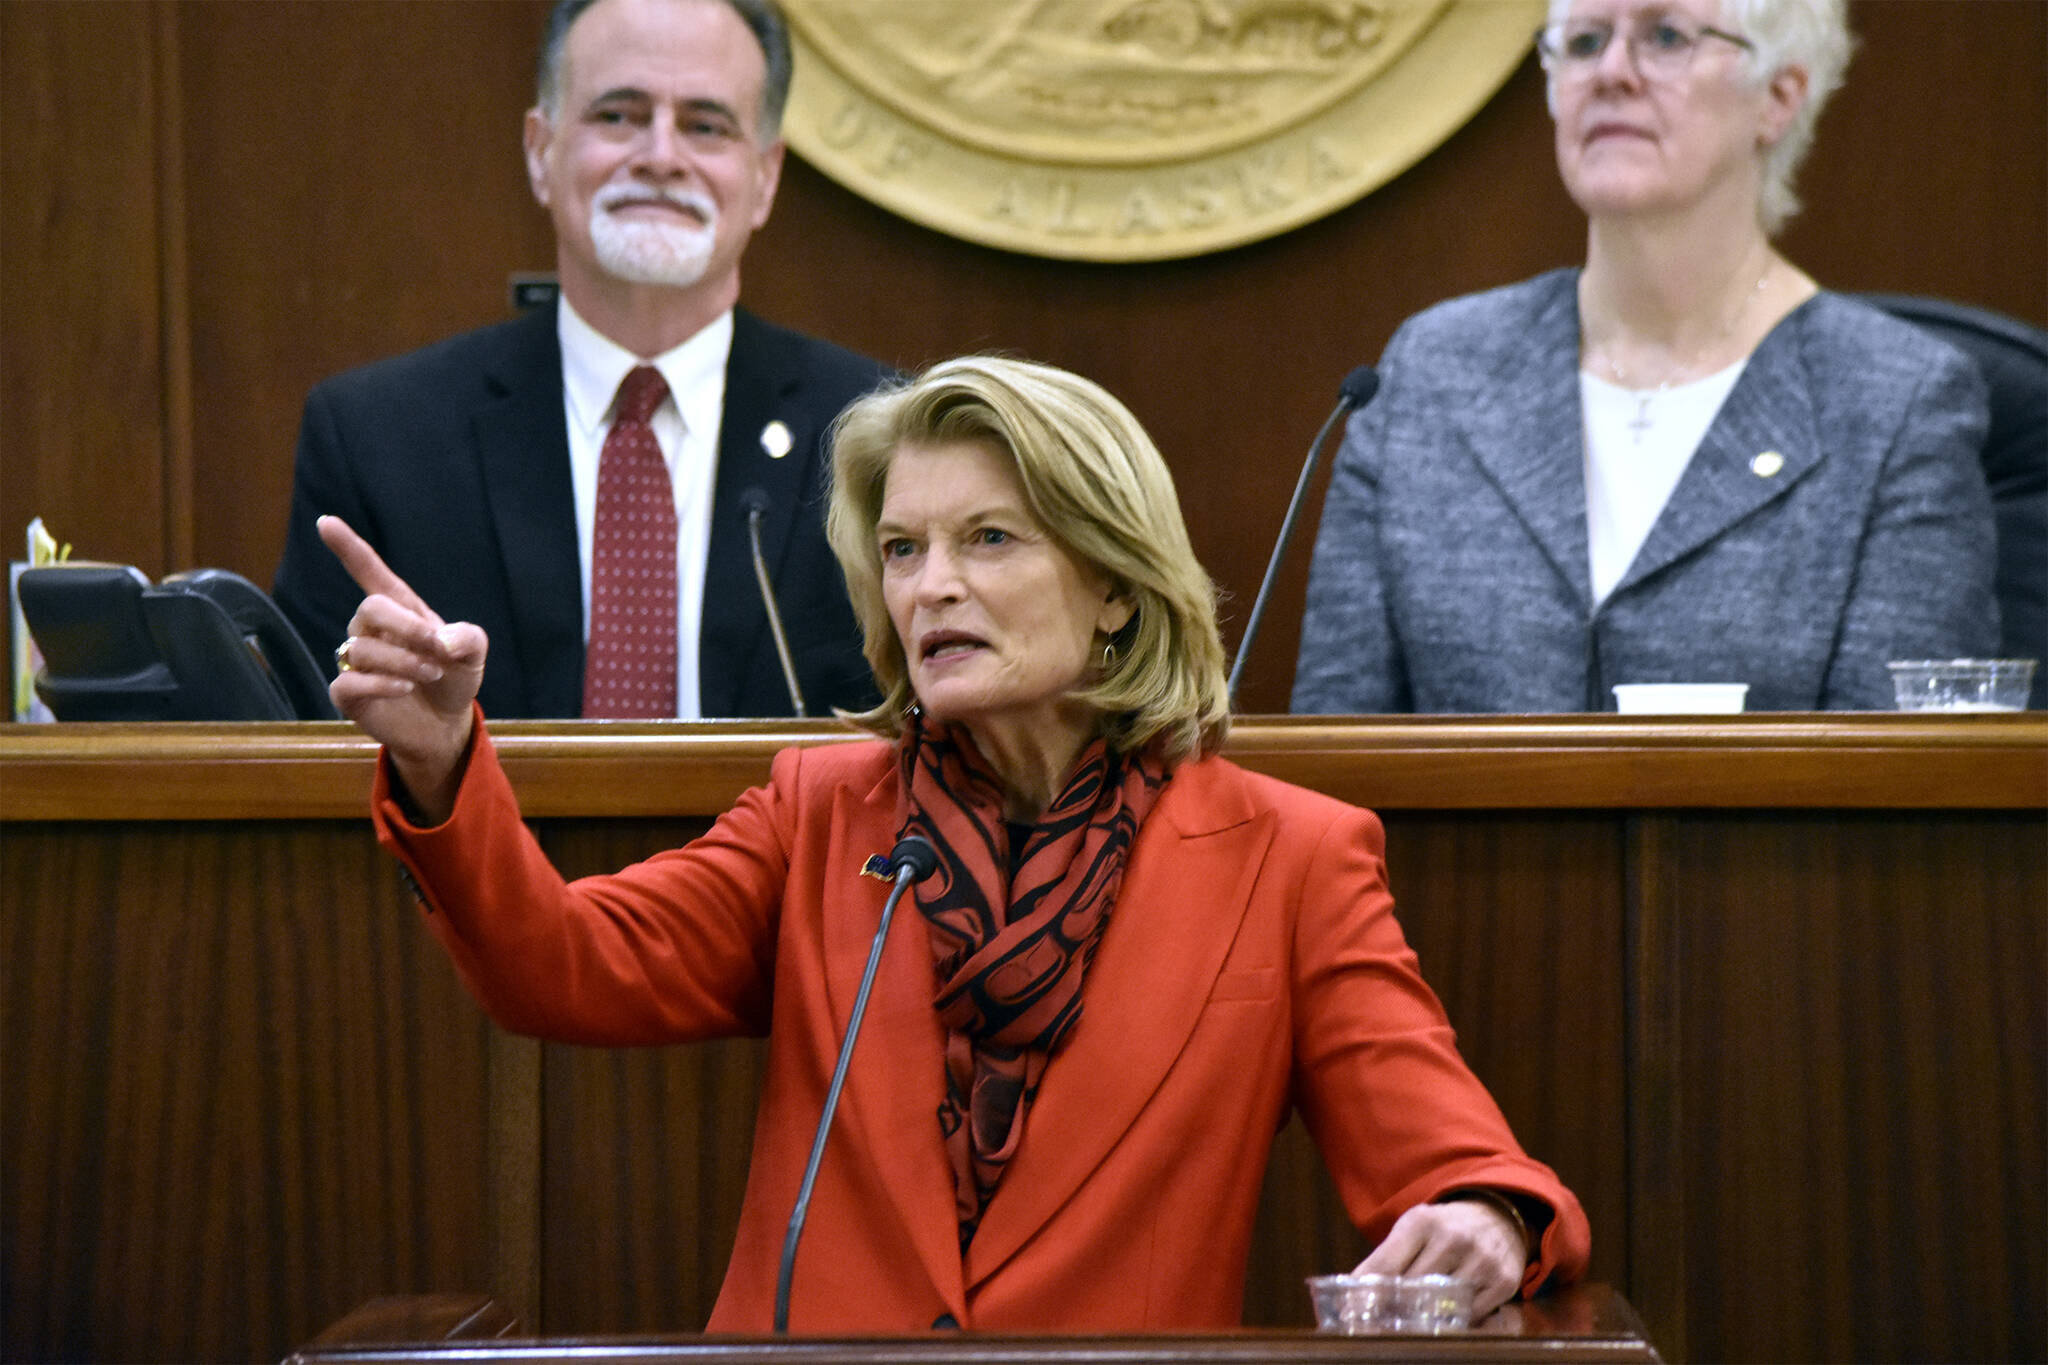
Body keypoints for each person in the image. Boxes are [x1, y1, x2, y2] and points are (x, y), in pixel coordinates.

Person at [320, 356, 1591, 1331]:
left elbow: (1455, 1161)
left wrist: (1484, 1216)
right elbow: (560, 965)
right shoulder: (820, 817)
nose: (931, 584)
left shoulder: (1289, 858)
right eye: (901, 549)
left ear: (1112, 584)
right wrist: (441, 758)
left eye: (988, 538)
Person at [1293, 0, 1999, 715]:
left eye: (1665, 37)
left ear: (1779, 97)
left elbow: (1903, 794)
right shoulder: (1432, 374)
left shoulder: (1897, 402)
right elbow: (1333, 756)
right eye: (1586, 41)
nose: (1612, 74)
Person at [273, 0, 886, 720]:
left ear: (765, 178)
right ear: (540, 151)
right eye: (619, 116)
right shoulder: (379, 439)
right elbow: (306, 741)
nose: (660, 157)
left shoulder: (874, 433)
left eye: (706, 125)